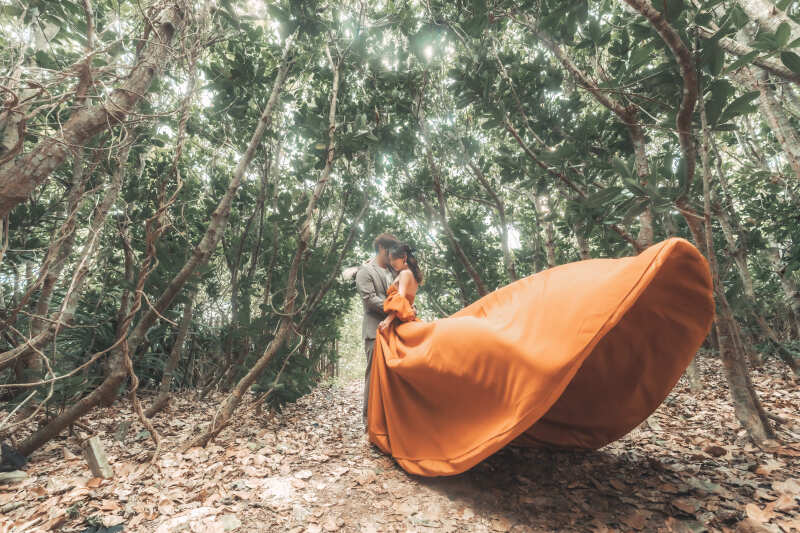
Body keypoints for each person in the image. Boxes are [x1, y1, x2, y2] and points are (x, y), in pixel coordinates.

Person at [365, 237, 715, 477]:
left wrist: (388, 322)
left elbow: (401, 306)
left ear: (401, 258)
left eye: (392, 258)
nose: (390, 262)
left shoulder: (404, 275)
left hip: (404, 325)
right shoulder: (407, 274)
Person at [354, 233, 399, 427]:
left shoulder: (395, 270)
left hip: (397, 331)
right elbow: (370, 300)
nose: (393, 254)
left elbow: (403, 294)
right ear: (381, 248)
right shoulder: (365, 271)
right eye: (390, 250)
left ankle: (390, 422)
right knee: (373, 376)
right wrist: (397, 308)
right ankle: (369, 422)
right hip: (375, 331)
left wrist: (406, 306)